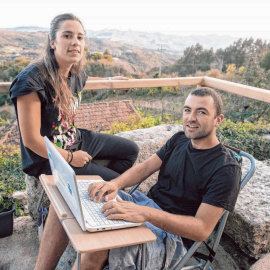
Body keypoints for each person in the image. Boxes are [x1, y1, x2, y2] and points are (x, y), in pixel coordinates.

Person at [8, 13, 139, 269]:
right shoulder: (31, 80)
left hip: (75, 139)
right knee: (111, 184)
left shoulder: (75, 73)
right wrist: (70, 157)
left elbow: (93, 82)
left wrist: (114, 81)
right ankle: (93, 200)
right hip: (50, 158)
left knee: (130, 151)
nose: (75, 42)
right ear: (52, 41)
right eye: (67, 35)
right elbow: (33, 140)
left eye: (79, 37)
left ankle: (93, 195)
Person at [77, 87, 242, 270]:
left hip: (170, 237)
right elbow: (146, 167)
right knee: (78, 199)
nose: (191, 118)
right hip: (143, 206)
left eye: (201, 112)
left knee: (97, 248)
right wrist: (115, 184)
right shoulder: (180, 139)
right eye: (187, 110)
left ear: (218, 120)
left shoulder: (226, 169)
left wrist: (146, 214)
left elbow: (201, 229)